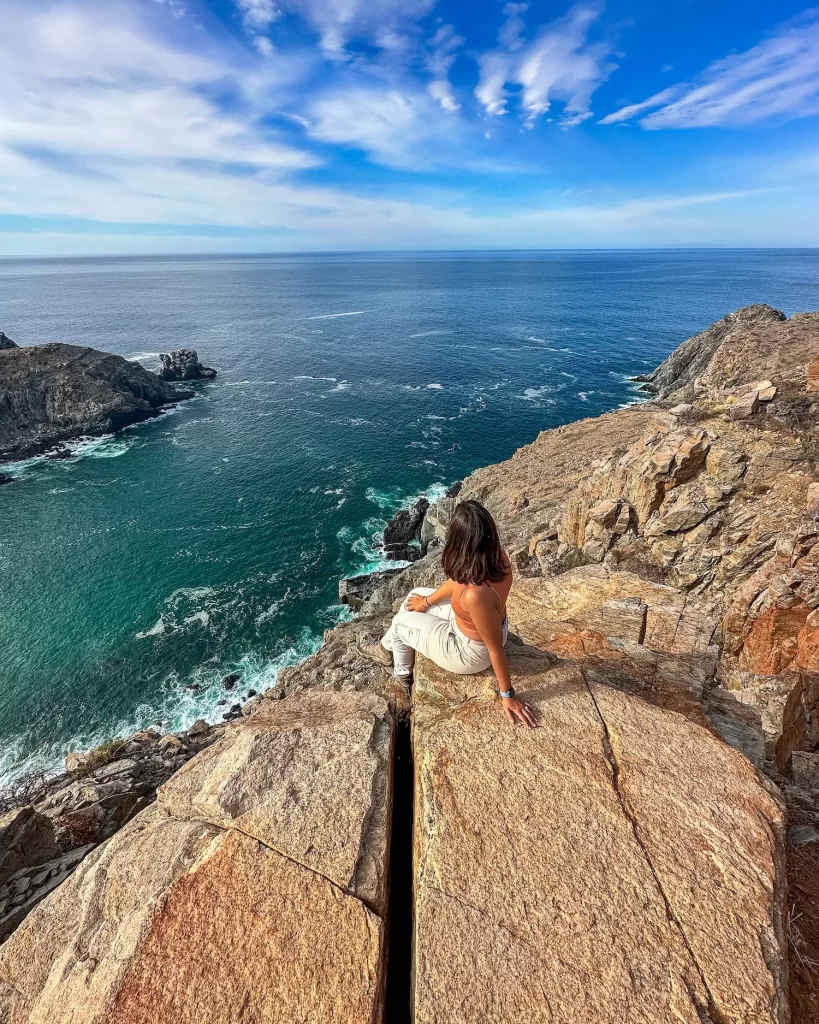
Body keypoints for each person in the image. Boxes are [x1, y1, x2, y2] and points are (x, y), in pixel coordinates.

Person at [358, 499, 535, 727]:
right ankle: (385, 649)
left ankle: (403, 681)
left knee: (401, 624)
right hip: (476, 625)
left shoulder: (476, 595)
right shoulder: (496, 557)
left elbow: (495, 649)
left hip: (468, 652)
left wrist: (508, 695)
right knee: (414, 596)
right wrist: (426, 602)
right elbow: (458, 583)